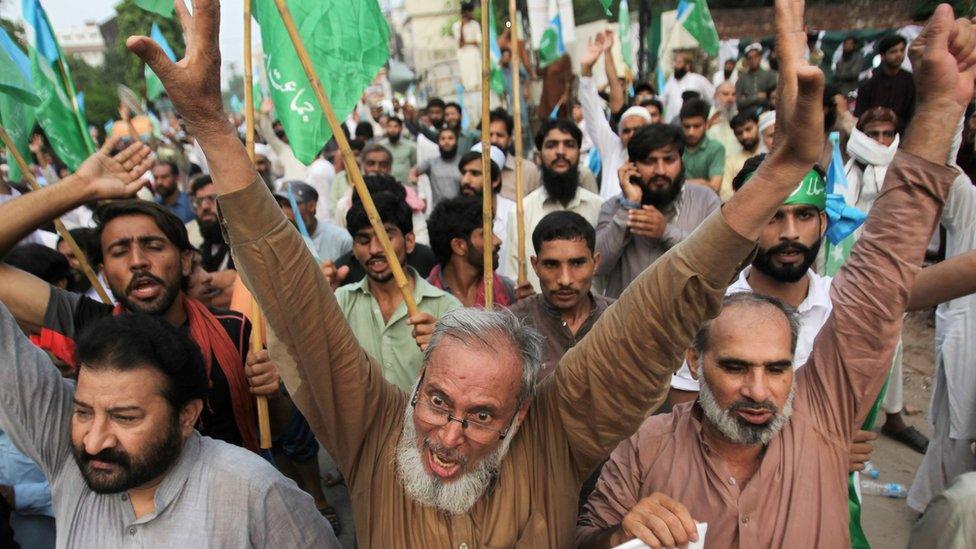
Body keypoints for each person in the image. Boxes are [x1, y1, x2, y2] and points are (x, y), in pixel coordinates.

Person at [130, 0, 838, 543]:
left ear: (520, 414)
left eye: (480, 416)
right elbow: (291, 291)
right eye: (438, 402)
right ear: (417, 386)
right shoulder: (376, 429)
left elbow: (658, 313)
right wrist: (212, 127)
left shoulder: (557, 436)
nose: (447, 436)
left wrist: (778, 173)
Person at [576, 8, 975, 546]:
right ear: (694, 361)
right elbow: (586, 538)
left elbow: (883, 274)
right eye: (736, 367)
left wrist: (941, 108)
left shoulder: (822, 416)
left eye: (778, 368)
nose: (759, 392)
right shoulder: (647, 448)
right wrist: (619, 534)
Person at [0, 139, 278, 452]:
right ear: (104, 272)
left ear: (185, 260)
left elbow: (275, 428)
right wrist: (80, 186)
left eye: (153, 246)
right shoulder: (91, 326)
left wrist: (273, 389)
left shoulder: (235, 329)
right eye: (120, 251)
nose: (137, 261)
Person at [0, 304, 339, 546]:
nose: (93, 442)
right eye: (83, 412)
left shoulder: (254, 493)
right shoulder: (70, 462)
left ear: (186, 417)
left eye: (125, 417)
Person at [842, 106, 927, 452]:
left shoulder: (900, 169)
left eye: (887, 134)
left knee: (894, 343)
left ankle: (892, 416)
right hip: (856, 267)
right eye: (874, 134)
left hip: (896, 265)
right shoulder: (852, 170)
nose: (880, 141)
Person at [322, 184, 461, 391]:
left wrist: (447, 348)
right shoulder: (340, 301)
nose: (375, 249)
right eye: (363, 240)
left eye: (386, 236)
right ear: (353, 248)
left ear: (410, 241)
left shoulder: (447, 308)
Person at [599, 124, 721, 298]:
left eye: (669, 160)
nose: (660, 171)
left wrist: (666, 232)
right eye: (649, 161)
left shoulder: (706, 200)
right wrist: (628, 207)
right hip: (626, 321)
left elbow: (717, 261)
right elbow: (599, 264)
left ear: (681, 160)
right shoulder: (614, 206)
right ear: (631, 166)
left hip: (687, 321)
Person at [508, 211, 613, 378]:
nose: (564, 280)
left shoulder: (621, 318)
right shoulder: (512, 327)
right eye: (551, 265)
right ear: (535, 266)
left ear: (595, 263)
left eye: (577, 263)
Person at [503, 119, 603, 290]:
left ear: (579, 153)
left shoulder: (599, 207)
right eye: (552, 145)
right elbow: (511, 276)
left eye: (569, 145)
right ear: (539, 155)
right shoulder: (521, 212)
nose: (561, 152)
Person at [579, 32, 653, 201]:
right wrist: (586, 71)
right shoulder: (613, 149)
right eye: (626, 131)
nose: (632, 135)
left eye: (638, 129)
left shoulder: (661, 158)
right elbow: (593, 113)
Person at [427, 196, 516, 307]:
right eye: (485, 234)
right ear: (459, 246)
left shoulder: (508, 292)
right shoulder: (425, 299)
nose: (498, 240)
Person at [274, 181, 352, 264]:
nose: (283, 213)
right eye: (280, 206)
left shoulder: (342, 240)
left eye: (290, 205)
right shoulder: (279, 241)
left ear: (311, 206)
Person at [855, 34, 915, 128]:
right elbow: (861, 116)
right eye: (893, 52)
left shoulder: (911, 81)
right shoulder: (869, 84)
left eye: (902, 50)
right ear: (882, 56)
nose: (899, 54)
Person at [483, 108, 542, 199]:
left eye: (500, 135)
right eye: (489, 135)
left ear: (510, 139)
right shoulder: (473, 170)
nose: (494, 140)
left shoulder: (528, 171)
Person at [680, 98, 726, 193]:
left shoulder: (716, 148)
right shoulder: (675, 147)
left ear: (706, 124)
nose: (690, 132)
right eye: (687, 126)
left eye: (697, 126)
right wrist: (702, 183)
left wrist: (679, 184)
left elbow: (715, 187)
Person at [410, 126, 461, 209]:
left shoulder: (462, 163)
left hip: (460, 211)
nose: (446, 142)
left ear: (456, 141)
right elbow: (414, 171)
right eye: (443, 139)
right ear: (438, 142)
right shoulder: (431, 162)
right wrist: (414, 179)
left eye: (450, 138)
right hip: (438, 213)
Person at [661, 52, 716, 122]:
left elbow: (712, 98)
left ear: (687, 65)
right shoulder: (670, 81)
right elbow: (662, 101)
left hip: (694, 122)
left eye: (679, 62)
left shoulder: (698, 79)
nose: (676, 65)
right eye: (675, 62)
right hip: (673, 123)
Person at [721, 110, 763, 201]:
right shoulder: (730, 161)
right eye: (739, 133)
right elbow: (725, 194)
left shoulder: (770, 152)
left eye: (748, 129)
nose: (745, 136)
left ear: (758, 125)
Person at [736, 42, 778, 112]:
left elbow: (774, 98)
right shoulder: (741, 79)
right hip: (747, 114)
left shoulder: (771, 75)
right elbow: (738, 102)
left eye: (756, 56)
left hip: (768, 112)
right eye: (750, 58)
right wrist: (756, 97)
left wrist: (747, 98)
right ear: (746, 60)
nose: (753, 60)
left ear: (760, 57)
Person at [706, 81, 741, 160]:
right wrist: (708, 125)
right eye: (725, 94)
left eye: (733, 94)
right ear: (715, 96)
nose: (730, 98)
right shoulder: (706, 118)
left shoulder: (740, 118)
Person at [377, 116, 417, 185]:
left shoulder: (411, 146)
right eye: (389, 126)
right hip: (385, 186)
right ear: (386, 128)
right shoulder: (380, 146)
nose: (392, 130)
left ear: (401, 128)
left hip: (406, 186)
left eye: (395, 126)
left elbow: (415, 165)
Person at [453, 2, 482, 92]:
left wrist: (466, 43)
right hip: (463, 55)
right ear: (465, 12)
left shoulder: (475, 24)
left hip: (474, 53)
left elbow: (477, 41)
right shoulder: (456, 26)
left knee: (477, 77)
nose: (472, 14)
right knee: (467, 78)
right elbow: (460, 44)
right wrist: (462, 26)